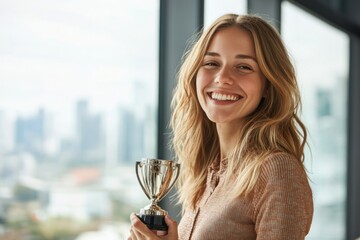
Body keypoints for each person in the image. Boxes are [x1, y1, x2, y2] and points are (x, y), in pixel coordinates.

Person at [129, 13, 313, 240]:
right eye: (211, 63)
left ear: (268, 85)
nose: (222, 77)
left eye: (244, 67)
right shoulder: (206, 172)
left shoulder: (276, 171)